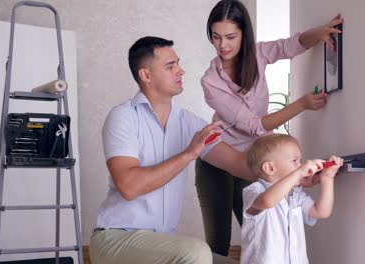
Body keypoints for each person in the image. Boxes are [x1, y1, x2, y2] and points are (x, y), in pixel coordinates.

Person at [195, 0, 343, 256]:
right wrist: (302, 104)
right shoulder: (210, 81)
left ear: (244, 34)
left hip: (253, 155)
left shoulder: (258, 54)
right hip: (218, 156)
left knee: (263, 231)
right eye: (216, 37)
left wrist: (319, 32)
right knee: (218, 243)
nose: (223, 45)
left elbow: (290, 45)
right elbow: (254, 126)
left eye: (231, 36)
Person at [89, 36, 254, 264]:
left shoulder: (189, 123)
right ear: (146, 75)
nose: (181, 71)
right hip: (116, 239)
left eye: (178, 63)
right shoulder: (123, 117)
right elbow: (129, 186)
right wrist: (189, 154)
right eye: (170, 66)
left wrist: (295, 171)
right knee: (197, 252)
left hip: (162, 244)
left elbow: (240, 164)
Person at [241, 134, 343, 264]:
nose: (300, 165)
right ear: (270, 168)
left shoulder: (295, 195)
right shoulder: (254, 190)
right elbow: (267, 201)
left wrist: (327, 178)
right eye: (295, 161)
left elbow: (321, 211)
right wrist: (299, 173)